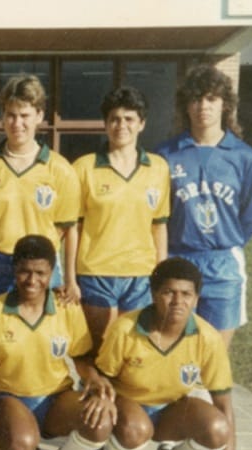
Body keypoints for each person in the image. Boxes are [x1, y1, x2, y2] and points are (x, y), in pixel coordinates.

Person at [0, 235, 115, 450]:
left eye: (40, 273)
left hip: (54, 397)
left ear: (52, 272)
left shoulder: (66, 308)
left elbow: (81, 358)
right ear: (14, 269)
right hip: (10, 397)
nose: (32, 280)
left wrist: (93, 378)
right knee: (19, 445)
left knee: (100, 419)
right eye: (25, 271)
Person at [93, 258, 240, 450]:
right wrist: (103, 394)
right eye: (168, 292)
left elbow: (224, 404)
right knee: (136, 429)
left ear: (196, 298)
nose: (177, 302)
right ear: (153, 293)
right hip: (129, 408)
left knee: (218, 428)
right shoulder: (126, 328)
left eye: (186, 294)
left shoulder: (208, 338)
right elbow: (102, 374)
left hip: (171, 410)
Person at [154, 64, 252, 350]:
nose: (204, 106)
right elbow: (158, 215)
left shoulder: (243, 157)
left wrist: (222, 241)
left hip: (223, 262)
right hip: (179, 259)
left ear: (225, 105)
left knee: (213, 353)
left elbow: (249, 217)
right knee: (174, 350)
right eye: (196, 99)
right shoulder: (166, 155)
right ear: (186, 105)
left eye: (212, 99)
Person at [74, 86, 170, 351]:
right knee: (100, 347)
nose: (121, 125)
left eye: (129, 119)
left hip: (140, 273)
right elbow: (75, 229)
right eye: (114, 119)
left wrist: (161, 273)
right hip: (97, 271)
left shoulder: (158, 168)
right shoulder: (84, 167)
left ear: (142, 124)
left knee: (134, 347)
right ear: (105, 124)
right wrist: (71, 277)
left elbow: (159, 225)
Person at [0, 75, 80, 303]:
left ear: (39, 115)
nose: (17, 123)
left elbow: (68, 230)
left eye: (24, 115)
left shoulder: (60, 169)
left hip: (39, 266)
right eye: (10, 115)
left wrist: (70, 279)